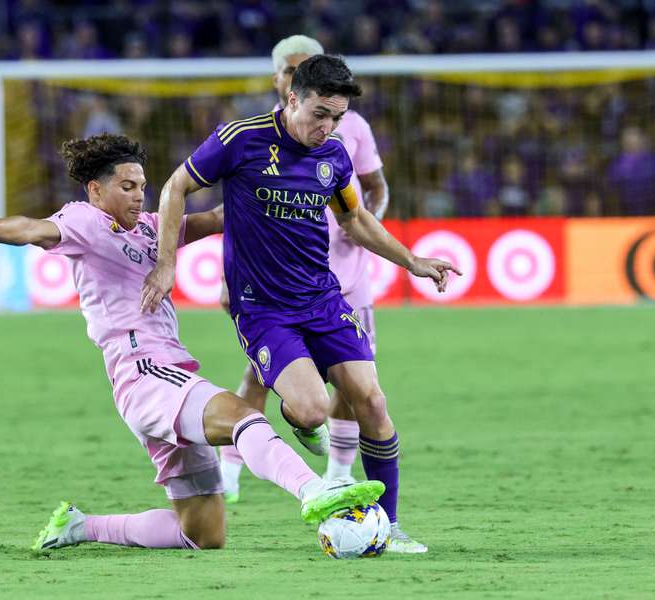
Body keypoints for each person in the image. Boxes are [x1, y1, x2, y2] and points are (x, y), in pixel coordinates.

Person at [0, 133, 383, 552]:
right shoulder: (84, 220)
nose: (139, 195)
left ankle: (80, 526)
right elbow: (32, 228)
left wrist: (271, 183)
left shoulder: (153, 227)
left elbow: (216, 219)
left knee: (202, 533)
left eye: (142, 186)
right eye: (127, 186)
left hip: (164, 378)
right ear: (96, 190)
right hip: (142, 370)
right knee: (240, 416)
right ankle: (314, 490)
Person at [141, 55, 460, 554]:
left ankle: (390, 526)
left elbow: (355, 222)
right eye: (319, 114)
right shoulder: (239, 139)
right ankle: (298, 421)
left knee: (373, 402)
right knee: (311, 411)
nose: (327, 127)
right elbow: (176, 186)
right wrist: (166, 263)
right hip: (263, 308)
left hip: (322, 298)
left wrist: (411, 260)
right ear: (292, 97)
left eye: (336, 117)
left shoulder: (333, 156)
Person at [216, 35, 389, 513]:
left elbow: (372, 190)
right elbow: (232, 211)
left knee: (361, 389)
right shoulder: (250, 138)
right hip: (271, 287)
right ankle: (228, 471)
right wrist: (224, 275)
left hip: (342, 279)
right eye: (291, 70)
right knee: (262, 377)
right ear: (281, 81)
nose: (329, 124)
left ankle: (339, 474)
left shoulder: (348, 130)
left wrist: (365, 225)